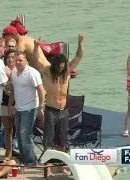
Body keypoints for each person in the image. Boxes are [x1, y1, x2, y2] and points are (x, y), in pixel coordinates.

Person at [33, 34, 85, 176]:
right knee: (48, 140)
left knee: (62, 141)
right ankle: (47, 168)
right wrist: (37, 46)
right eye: (59, 67)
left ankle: (62, 166)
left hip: (64, 111)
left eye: (63, 67)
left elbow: (79, 57)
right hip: (50, 110)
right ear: (55, 65)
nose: (61, 69)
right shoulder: (48, 71)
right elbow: (38, 59)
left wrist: (80, 42)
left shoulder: (66, 72)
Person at [8, 51, 45, 165]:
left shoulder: (32, 73)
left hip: (30, 108)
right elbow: (13, 91)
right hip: (18, 108)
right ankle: (24, 159)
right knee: (19, 134)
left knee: (25, 134)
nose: (18, 62)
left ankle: (31, 161)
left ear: (26, 61)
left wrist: (40, 108)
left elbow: (41, 90)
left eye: (20, 60)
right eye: (16, 60)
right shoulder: (14, 72)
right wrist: (10, 105)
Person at [0, 49, 17, 160]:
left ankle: (19, 151)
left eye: (12, 57)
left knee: (19, 129)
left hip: (18, 104)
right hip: (4, 103)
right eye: (8, 58)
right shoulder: (2, 70)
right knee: (7, 129)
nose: (10, 59)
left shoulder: (19, 71)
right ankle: (8, 153)